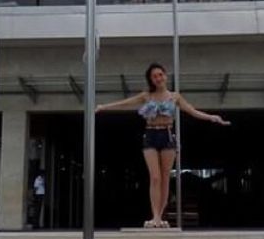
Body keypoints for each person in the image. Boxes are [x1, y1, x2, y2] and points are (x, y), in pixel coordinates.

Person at [96, 62, 230, 229]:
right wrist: (103, 107)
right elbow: (125, 103)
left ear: (165, 76)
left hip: (167, 136)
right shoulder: (146, 96)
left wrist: (212, 117)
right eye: (154, 76)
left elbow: (192, 111)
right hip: (151, 135)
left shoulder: (175, 97)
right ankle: (155, 216)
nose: (158, 78)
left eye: (160, 74)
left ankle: (159, 216)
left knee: (165, 178)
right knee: (155, 177)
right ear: (151, 80)